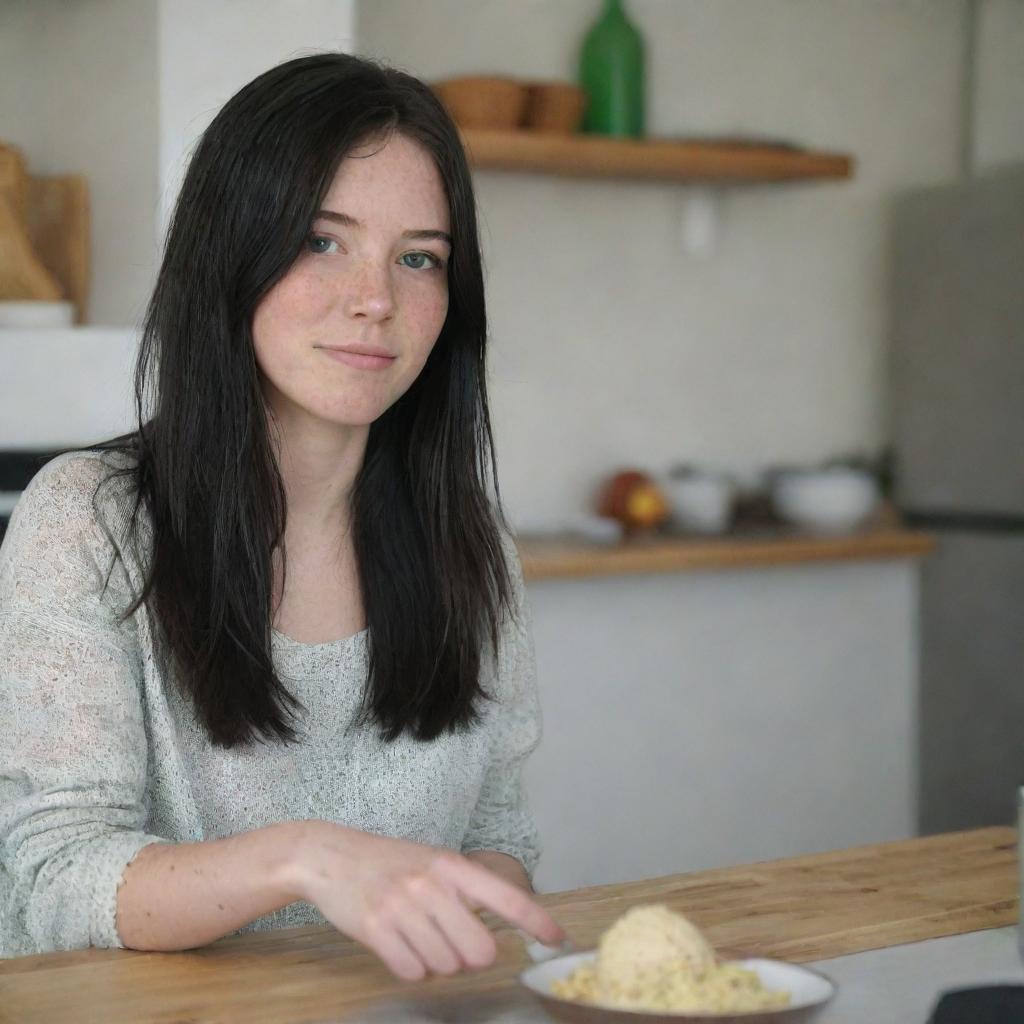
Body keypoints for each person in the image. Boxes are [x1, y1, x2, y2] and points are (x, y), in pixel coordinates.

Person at [0, 52, 566, 978]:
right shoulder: (86, 523)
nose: (376, 300)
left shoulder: (472, 547)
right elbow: (53, 879)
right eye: (321, 240)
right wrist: (302, 856)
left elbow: (496, 836)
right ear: (231, 253)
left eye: (418, 258)